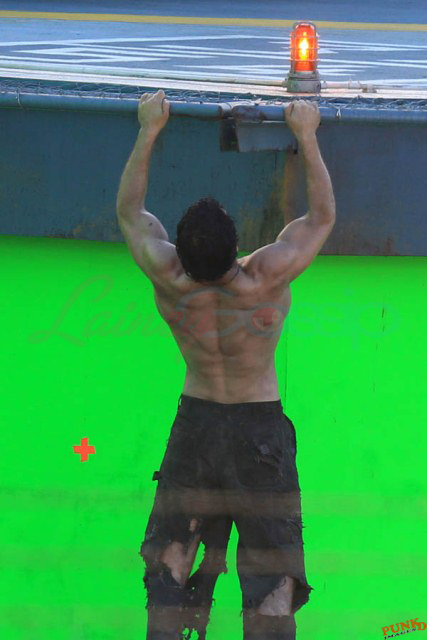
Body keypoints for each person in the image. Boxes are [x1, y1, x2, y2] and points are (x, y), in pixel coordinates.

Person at [116, 89, 336, 640]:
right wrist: (306, 134)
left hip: (197, 427)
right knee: (271, 578)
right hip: (258, 432)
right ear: (238, 244)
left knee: (171, 563)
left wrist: (148, 129)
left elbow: (130, 213)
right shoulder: (264, 277)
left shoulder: (169, 277)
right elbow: (321, 218)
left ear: (181, 252)